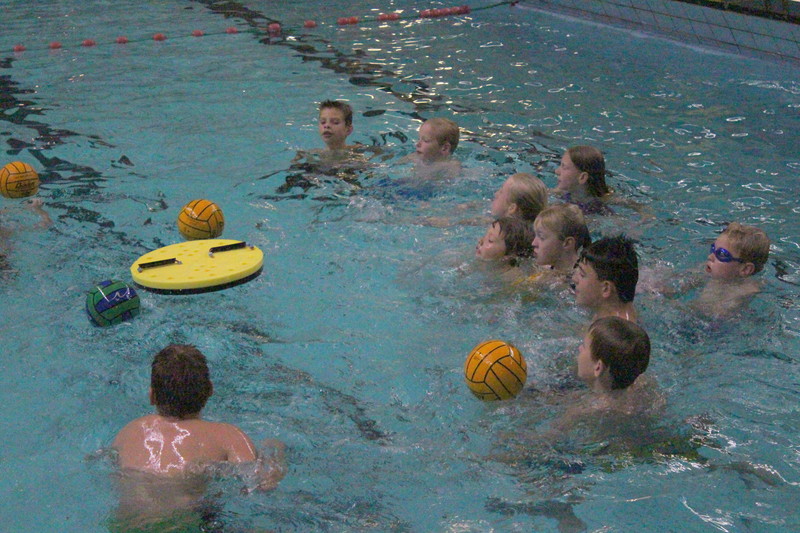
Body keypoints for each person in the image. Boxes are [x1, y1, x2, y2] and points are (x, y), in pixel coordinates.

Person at [112, 344, 286, 529]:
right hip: (182, 526)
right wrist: (274, 453)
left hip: (125, 526)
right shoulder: (228, 436)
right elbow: (261, 484)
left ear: (152, 395)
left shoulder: (128, 432)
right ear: (210, 390)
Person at [694, 222, 770, 317]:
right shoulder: (709, 270)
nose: (710, 256)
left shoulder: (744, 291)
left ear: (745, 269)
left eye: (721, 254)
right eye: (713, 248)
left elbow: (717, 314)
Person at [572, 235, 639, 322]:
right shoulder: (607, 315)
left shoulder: (614, 329)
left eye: (582, 274)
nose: (574, 279)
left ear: (606, 288)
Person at [532, 204, 591, 273]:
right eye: (536, 235)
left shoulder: (583, 276)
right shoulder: (545, 269)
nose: (533, 243)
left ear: (567, 243)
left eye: (542, 237)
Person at [553, 145, 612, 215]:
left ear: (582, 177)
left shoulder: (600, 211)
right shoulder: (562, 192)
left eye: (564, 167)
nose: (556, 171)